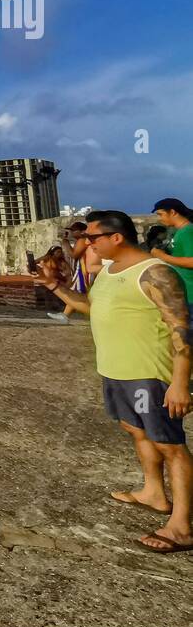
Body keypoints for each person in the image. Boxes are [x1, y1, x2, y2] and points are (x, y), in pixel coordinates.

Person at [36, 211, 192, 554]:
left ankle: (181, 526)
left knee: (170, 445)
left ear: (116, 237)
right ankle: (154, 493)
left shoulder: (154, 273)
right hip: (115, 370)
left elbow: (182, 328)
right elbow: (92, 308)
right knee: (137, 431)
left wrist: (180, 382)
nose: (85, 244)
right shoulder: (108, 271)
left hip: (149, 375)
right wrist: (53, 285)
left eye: (92, 238)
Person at [150, 198, 193, 318]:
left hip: (190, 294)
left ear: (173, 212)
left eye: (161, 214)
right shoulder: (179, 232)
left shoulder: (187, 232)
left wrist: (162, 256)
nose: (160, 218)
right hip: (184, 292)